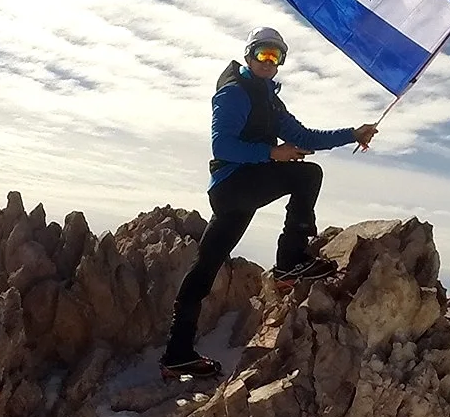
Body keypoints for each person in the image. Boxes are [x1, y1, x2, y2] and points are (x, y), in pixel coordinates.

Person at [160, 26, 378, 379]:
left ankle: (177, 352)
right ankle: (289, 261)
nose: (268, 61)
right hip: (233, 184)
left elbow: (304, 136)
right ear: (248, 55)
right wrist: (272, 153)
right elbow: (222, 146)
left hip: (243, 189)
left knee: (205, 266)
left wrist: (352, 134)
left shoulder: (270, 100)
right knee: (306, 175)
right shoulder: (233, 93)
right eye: (262, 53)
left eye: (276, 56)